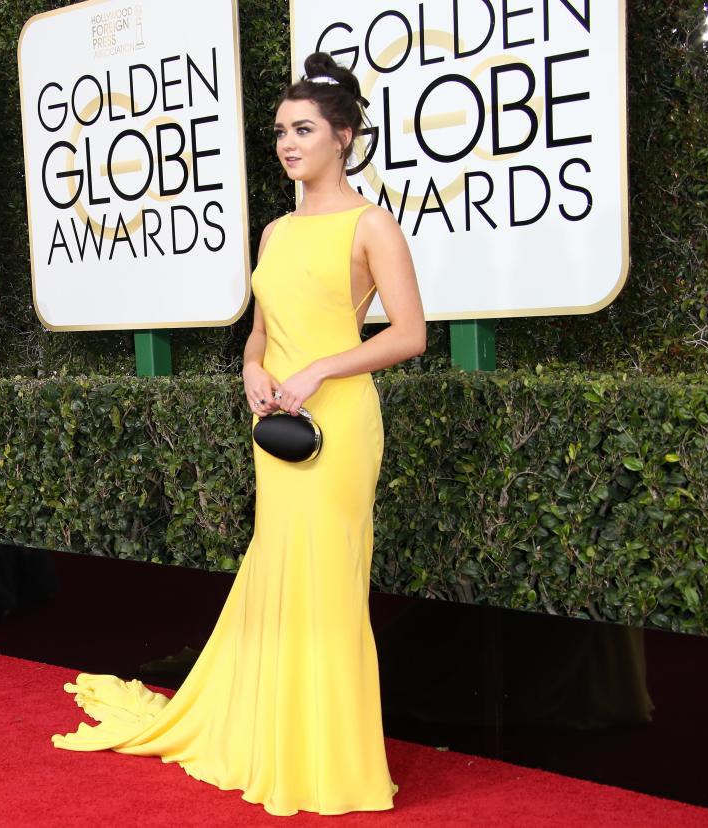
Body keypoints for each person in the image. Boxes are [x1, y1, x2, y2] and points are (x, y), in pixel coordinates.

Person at [51, 52, 427, 816]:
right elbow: (258, 332)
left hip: (339, 424)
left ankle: (327, 755)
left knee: (328, 579)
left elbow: (412, 334)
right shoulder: (276, 231)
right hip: (277, 425)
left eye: (305, 130)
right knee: (281, 568)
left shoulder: (371, 223)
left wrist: (322, 368)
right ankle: (274, 733)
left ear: (345, 136)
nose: (289, 143)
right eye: (282, 131)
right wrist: (251, 369)